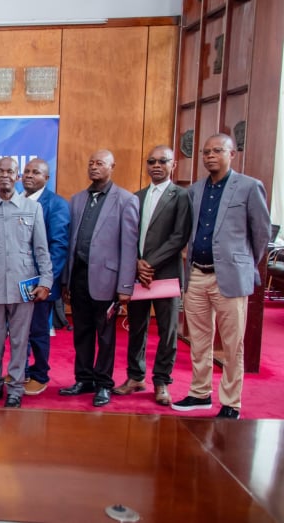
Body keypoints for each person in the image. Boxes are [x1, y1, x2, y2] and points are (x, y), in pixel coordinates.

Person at [172, 134, 270, 419]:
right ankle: (200, 392)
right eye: (206, 152)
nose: (210, 156)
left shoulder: (250, 187)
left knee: (231, 343)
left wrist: (244, 262)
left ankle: (231, 402)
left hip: (230, 277)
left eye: (217, 151)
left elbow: (261, 233)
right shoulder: (196, 189)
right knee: (199, 340)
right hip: (197, 275)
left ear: (232, 154)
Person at [0, 157, 53, 408]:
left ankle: (16, 388)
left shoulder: (32, 208)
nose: (4, 175)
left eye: (10, 171)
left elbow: (41, 250)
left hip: (23, 288)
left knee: (20, 340)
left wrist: (46, 281)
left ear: (17, 176)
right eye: (0, 171)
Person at [60, 149, 139, 407]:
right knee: (81, 332)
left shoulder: (125, 200)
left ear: (112, 167)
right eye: (91, 163)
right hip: (79, 278)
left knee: (105, 336)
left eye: (100, 163)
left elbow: (129, 247)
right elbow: (71, 242)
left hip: (107, 280)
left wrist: (125, 286)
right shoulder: (78, 199)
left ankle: (103, 383)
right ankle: (83, 379)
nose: (94, 167)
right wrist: (66, 280)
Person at [114, 146, 191, 406]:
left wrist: (149, 263)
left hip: (166, 274)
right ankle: (136, 376)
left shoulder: (181, 196)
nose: (156, 165)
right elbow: (130, 236)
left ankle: (162, 381)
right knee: (137, 327)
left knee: (167, 330)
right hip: (139, 274)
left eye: (162, 161)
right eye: (151, 161)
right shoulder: (137, 196)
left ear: (173, 165)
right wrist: (137, 264)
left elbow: (180, 236)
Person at [21, 158, 70, 396]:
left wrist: (45, 282)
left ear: (46, 178)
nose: (29, 175)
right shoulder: (17, 201)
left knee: (39, 330)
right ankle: (23, 370)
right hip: (18, 282)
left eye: (36, 172)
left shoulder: (56, 205)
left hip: (40, 283)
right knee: (20, 330)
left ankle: (40, 374)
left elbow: (59, 247)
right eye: (27, 171)